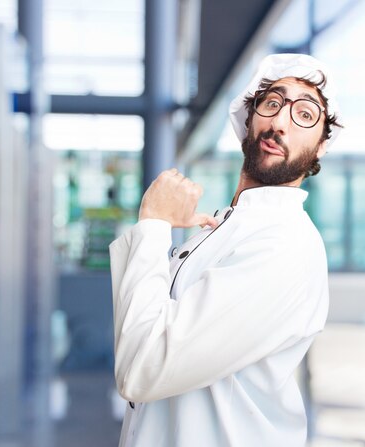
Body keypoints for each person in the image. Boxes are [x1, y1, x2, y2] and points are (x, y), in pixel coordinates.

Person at [109, 53, 343, 447]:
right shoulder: (227, 227)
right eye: (271, 103)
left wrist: (153, 224)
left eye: (305, 114)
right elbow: (144, 326)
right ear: (248, 120)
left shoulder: (283, 245)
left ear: (321, 146)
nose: (281, 122)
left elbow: (142, 367)